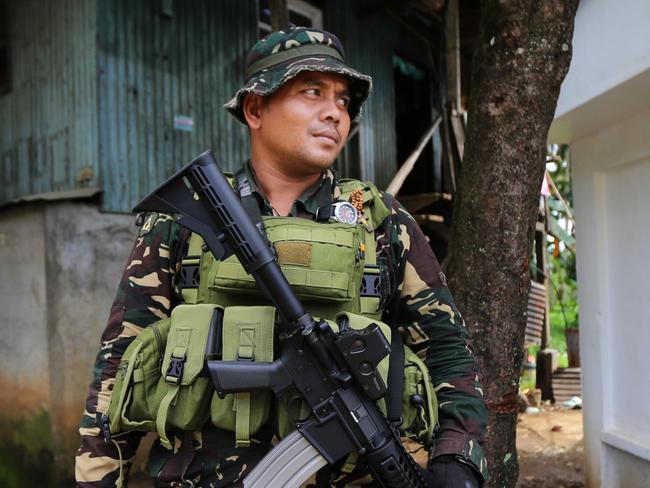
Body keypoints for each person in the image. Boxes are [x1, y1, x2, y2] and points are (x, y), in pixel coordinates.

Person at [76, 26, 488, 487]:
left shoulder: (379, 222)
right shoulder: (186, 221)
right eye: (312, 92)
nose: (334, 113)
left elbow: (448, 351)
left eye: (343, 101)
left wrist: (459, 455)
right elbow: (118, 366)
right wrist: (98, 478)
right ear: (256, 108)